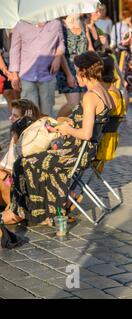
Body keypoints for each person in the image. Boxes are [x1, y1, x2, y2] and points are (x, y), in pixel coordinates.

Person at [4, 52, 115, 226]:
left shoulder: (90, 97)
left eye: (77, 71)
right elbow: (92, 125)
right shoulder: (105, 92)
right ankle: (36, 210)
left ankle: (23, 211)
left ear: (84, 72)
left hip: (74, 153)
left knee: (23, 163)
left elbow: (86, 134)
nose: (76, 74)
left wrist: (66, 128)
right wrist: (68, 124)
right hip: (83, 150)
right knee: (33, 158)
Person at [9, 20, 65, 116]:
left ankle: (45, 130)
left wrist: (58, 57)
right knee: (30, 113)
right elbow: (14, 50)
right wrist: (14, 75)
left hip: (48, 75)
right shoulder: (20, 25)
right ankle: (32, 130)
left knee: (47, 112)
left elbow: (61, 43)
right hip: (27, 75)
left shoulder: (55, 24)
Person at [1, 100, 45, 220]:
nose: (10, 118)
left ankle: (14, 209)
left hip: (20, 187)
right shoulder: (17, 134)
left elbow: (19, 171)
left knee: (1, 176)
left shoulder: (30, 139)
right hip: (10, 181)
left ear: (25, 118)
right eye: (11, 114)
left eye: (15, 116)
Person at [56, 15, 89, 117]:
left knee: (84, 104)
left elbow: (87, 48)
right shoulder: (60, 26)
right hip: (67, 69)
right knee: (73, 104)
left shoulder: (82, 23)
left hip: (82, 69)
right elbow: (59, 54)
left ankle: (76, 129)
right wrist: (69, 75)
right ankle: (56, 126)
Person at [0, 29, 19, 109]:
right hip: (4, 64)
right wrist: (5, 70)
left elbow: (7, 43)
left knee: (16, 92)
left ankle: (19, 117)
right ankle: (16, 118)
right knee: (8, 92)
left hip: (11, 60)